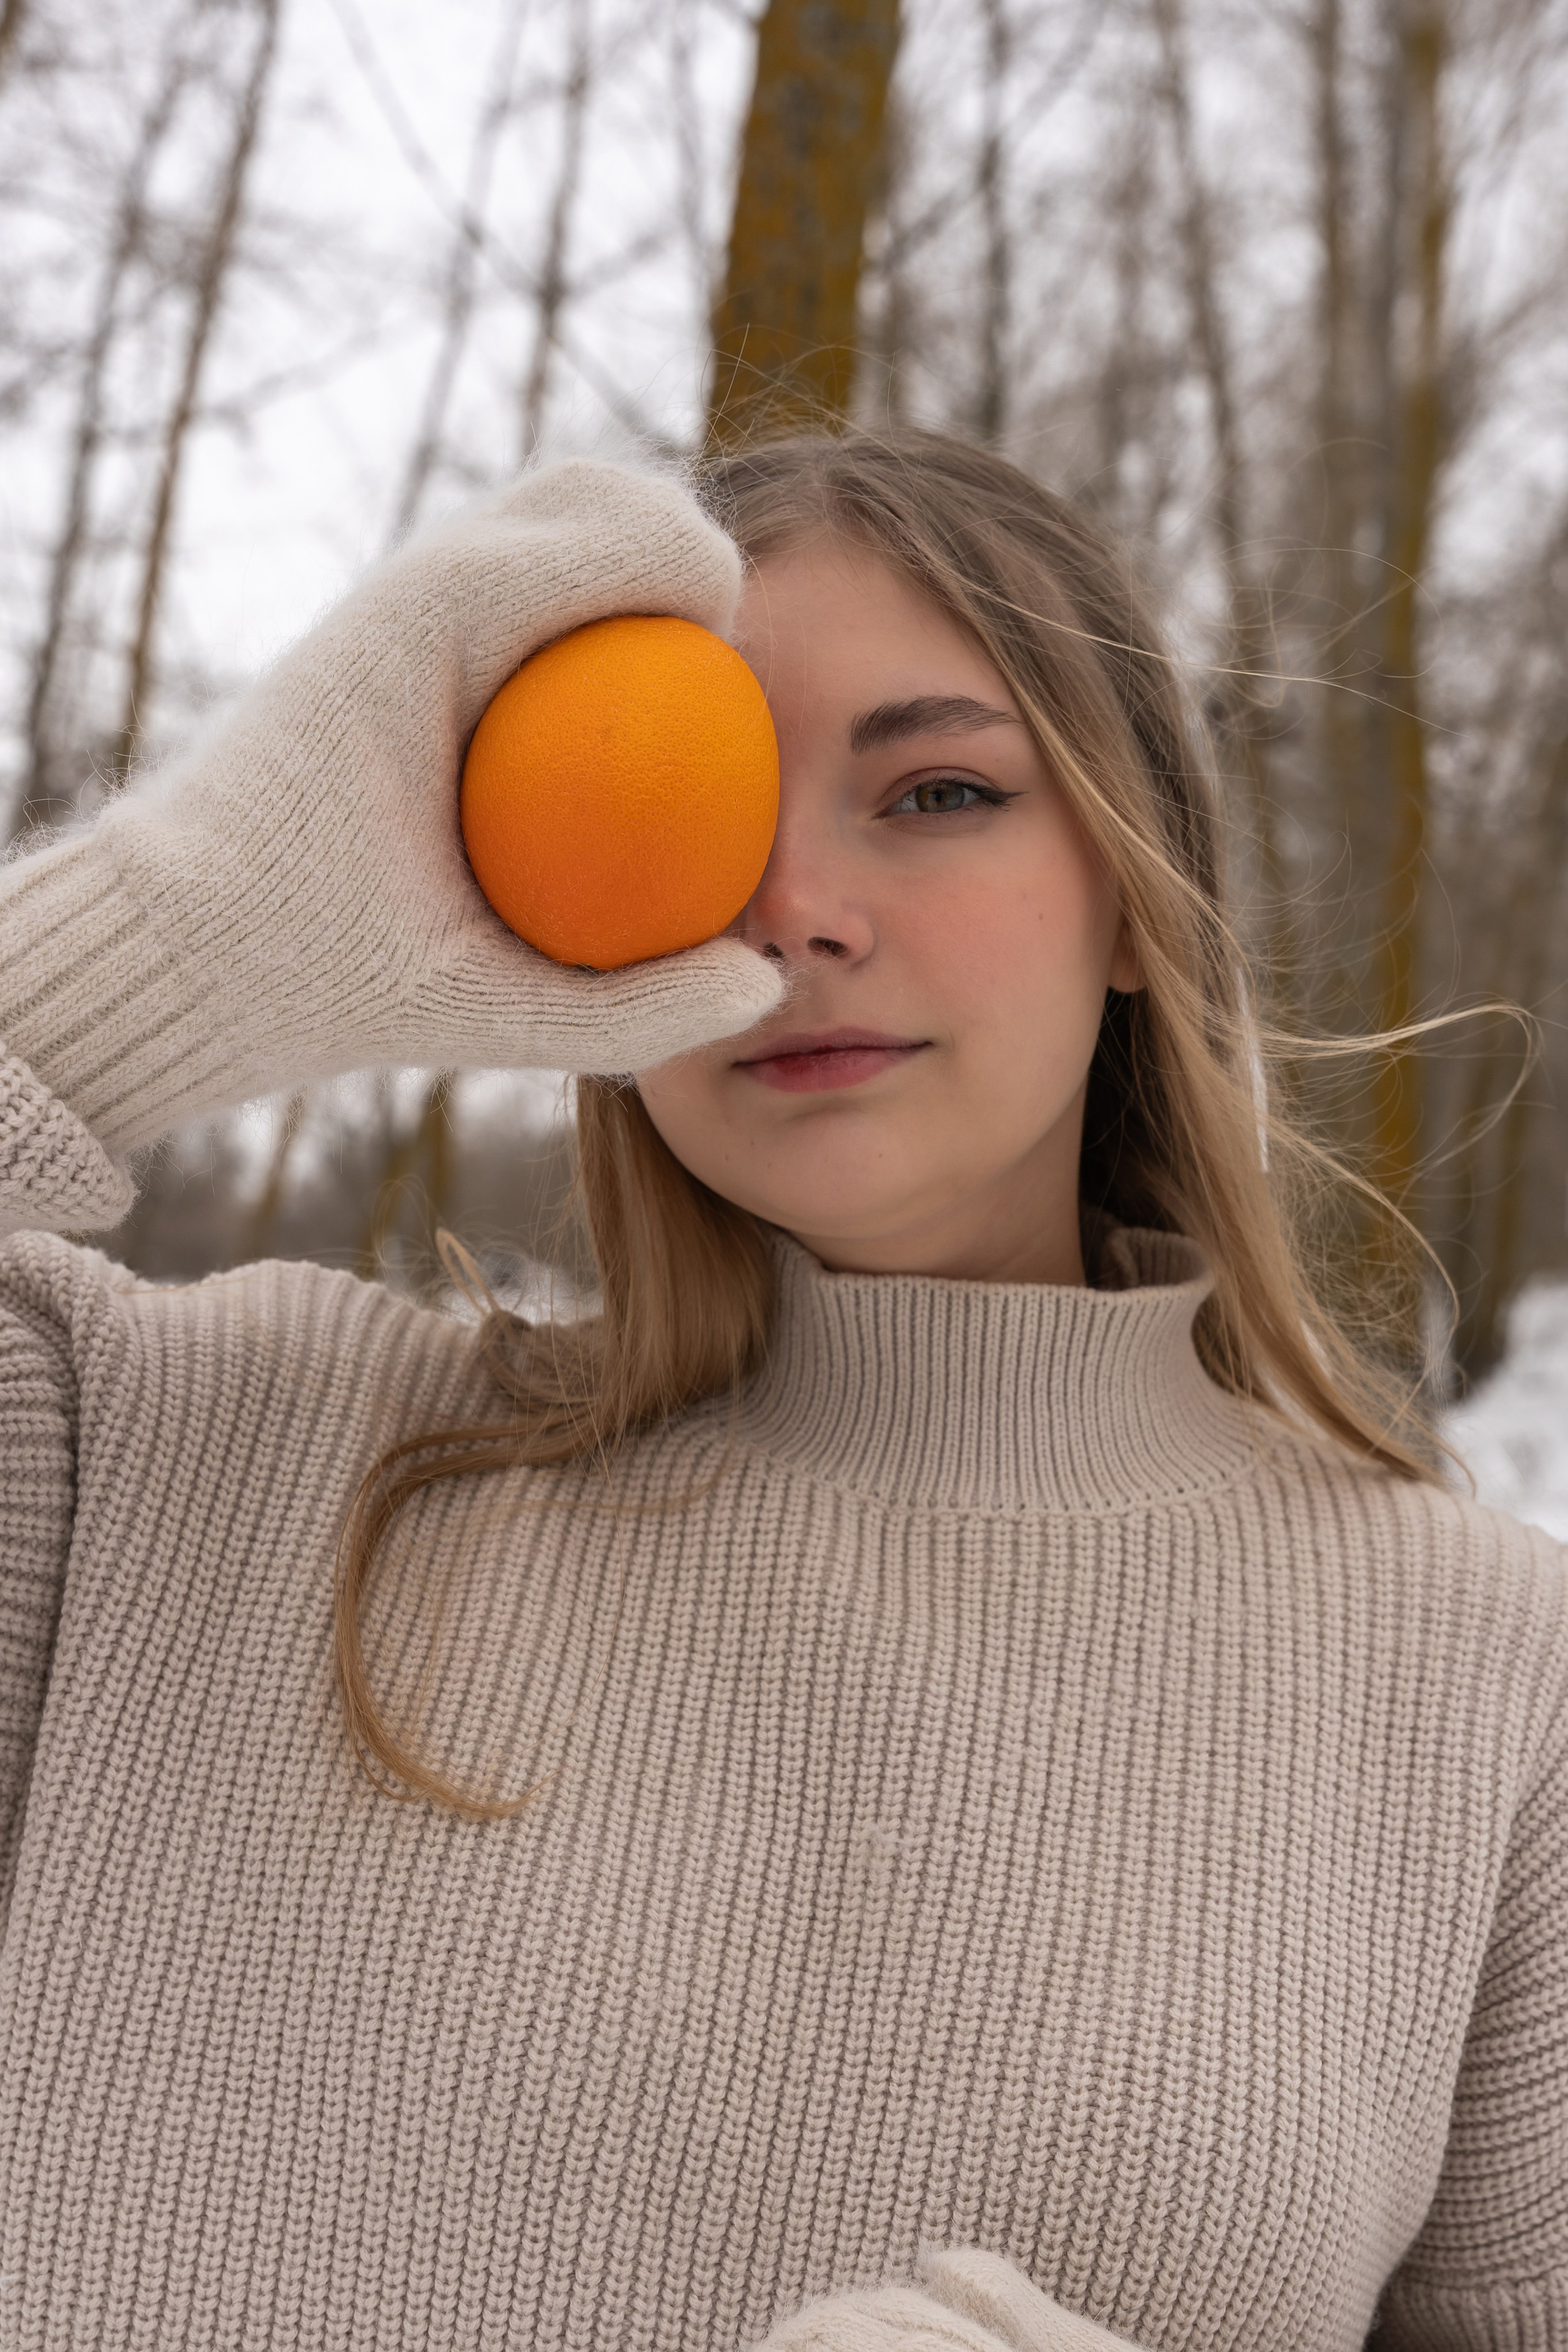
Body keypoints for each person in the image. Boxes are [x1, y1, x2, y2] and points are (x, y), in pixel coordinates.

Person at [1, 430, 1564, 2352]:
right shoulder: (172, 1459)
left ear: (1138, 899)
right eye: (701, 808)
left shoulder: (1493, 1680)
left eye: (934, 789)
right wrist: (175, 936)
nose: (793, 909)